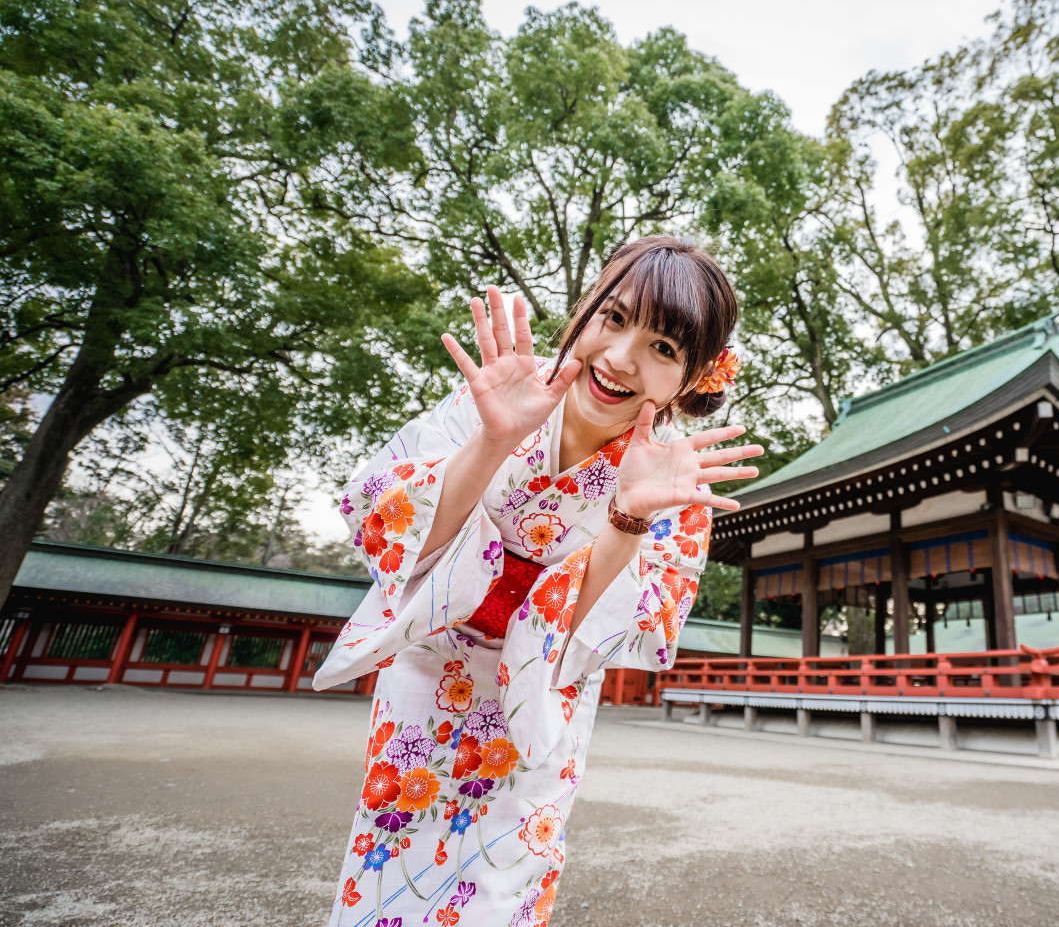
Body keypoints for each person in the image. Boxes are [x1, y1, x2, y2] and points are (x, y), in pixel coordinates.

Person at [313, 237, 761, 927]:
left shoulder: (677, 488)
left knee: (499, 888)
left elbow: (584, 638)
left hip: (534, 708)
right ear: (582, 312)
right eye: (612, 318)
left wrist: (626, 518)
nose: (619, 359)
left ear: (694, 378)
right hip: (431, 676)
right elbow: (393, 536)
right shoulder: (490, 397)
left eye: (664, 349)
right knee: (387, 874)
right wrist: (492, 440)